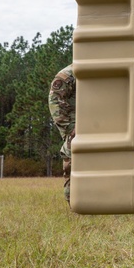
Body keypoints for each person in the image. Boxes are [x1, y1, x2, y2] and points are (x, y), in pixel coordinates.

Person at [48, 65, 75, 202]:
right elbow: (55, 101)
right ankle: (74, 201)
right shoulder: (69, 74)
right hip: (76, 128)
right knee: (73, 163)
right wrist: (70, 129)